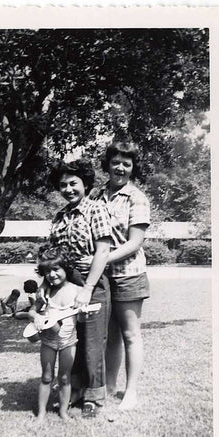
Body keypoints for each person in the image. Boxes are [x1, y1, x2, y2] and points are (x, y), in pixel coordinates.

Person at [48, 159, 112, 418]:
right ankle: (74, 388)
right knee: (70, 338)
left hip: (92, 282)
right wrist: (47, 286)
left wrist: (87, 288)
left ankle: (93, 396)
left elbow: (103, 250)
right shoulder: (59, 216)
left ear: (85, 183)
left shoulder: (96, 209)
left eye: (73, 183)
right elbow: (53, 256)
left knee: (93, 342)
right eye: (63, 185)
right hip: (66, 284)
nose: (68, 189)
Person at [90, 141, 151, 411]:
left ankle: (131, 392)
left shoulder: (136, 198)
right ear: (108, 164)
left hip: (128, 274)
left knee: (130, 334)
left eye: (127, 163)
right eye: (116, 162)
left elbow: (135, 242)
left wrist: (101, 259)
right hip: (102, 277)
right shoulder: (95, 195)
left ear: (133, 167)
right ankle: (110, 386)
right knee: (111, 335)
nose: (121, 168)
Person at [27, 245, 80, 422]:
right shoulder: (46, 291)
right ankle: (41, 413)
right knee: (46, 376)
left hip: (68, 342)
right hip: (48, 341)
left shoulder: (77, 291)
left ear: (66, 268)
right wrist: (36, 317)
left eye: (56, 269)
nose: (52, 274)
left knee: (64, 377)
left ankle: (63, 412)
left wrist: (85, 313)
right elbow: (31, 311)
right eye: (47, 271)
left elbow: (82, 319)